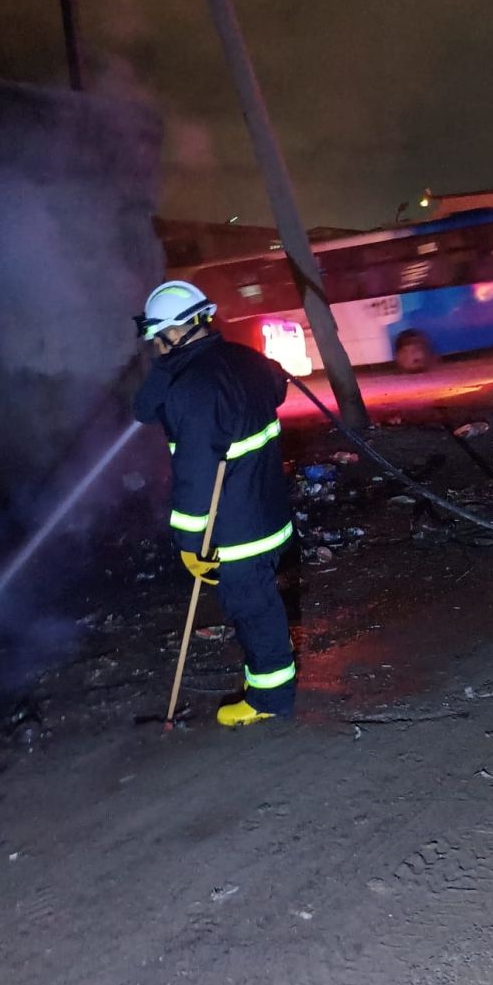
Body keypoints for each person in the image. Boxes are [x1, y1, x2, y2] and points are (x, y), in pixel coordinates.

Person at [133, 280, 295, 727]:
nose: (155, 348)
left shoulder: (195, 391)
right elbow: (144, 410)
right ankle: (271, 669)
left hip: (237, 529)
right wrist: (168, 364)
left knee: (252, 608)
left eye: (158, 338)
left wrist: (189, 542)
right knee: (260, 603)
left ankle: (270, 698)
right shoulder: (245, 360)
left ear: (174, 332)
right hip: (269, 511)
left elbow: (195, 476)